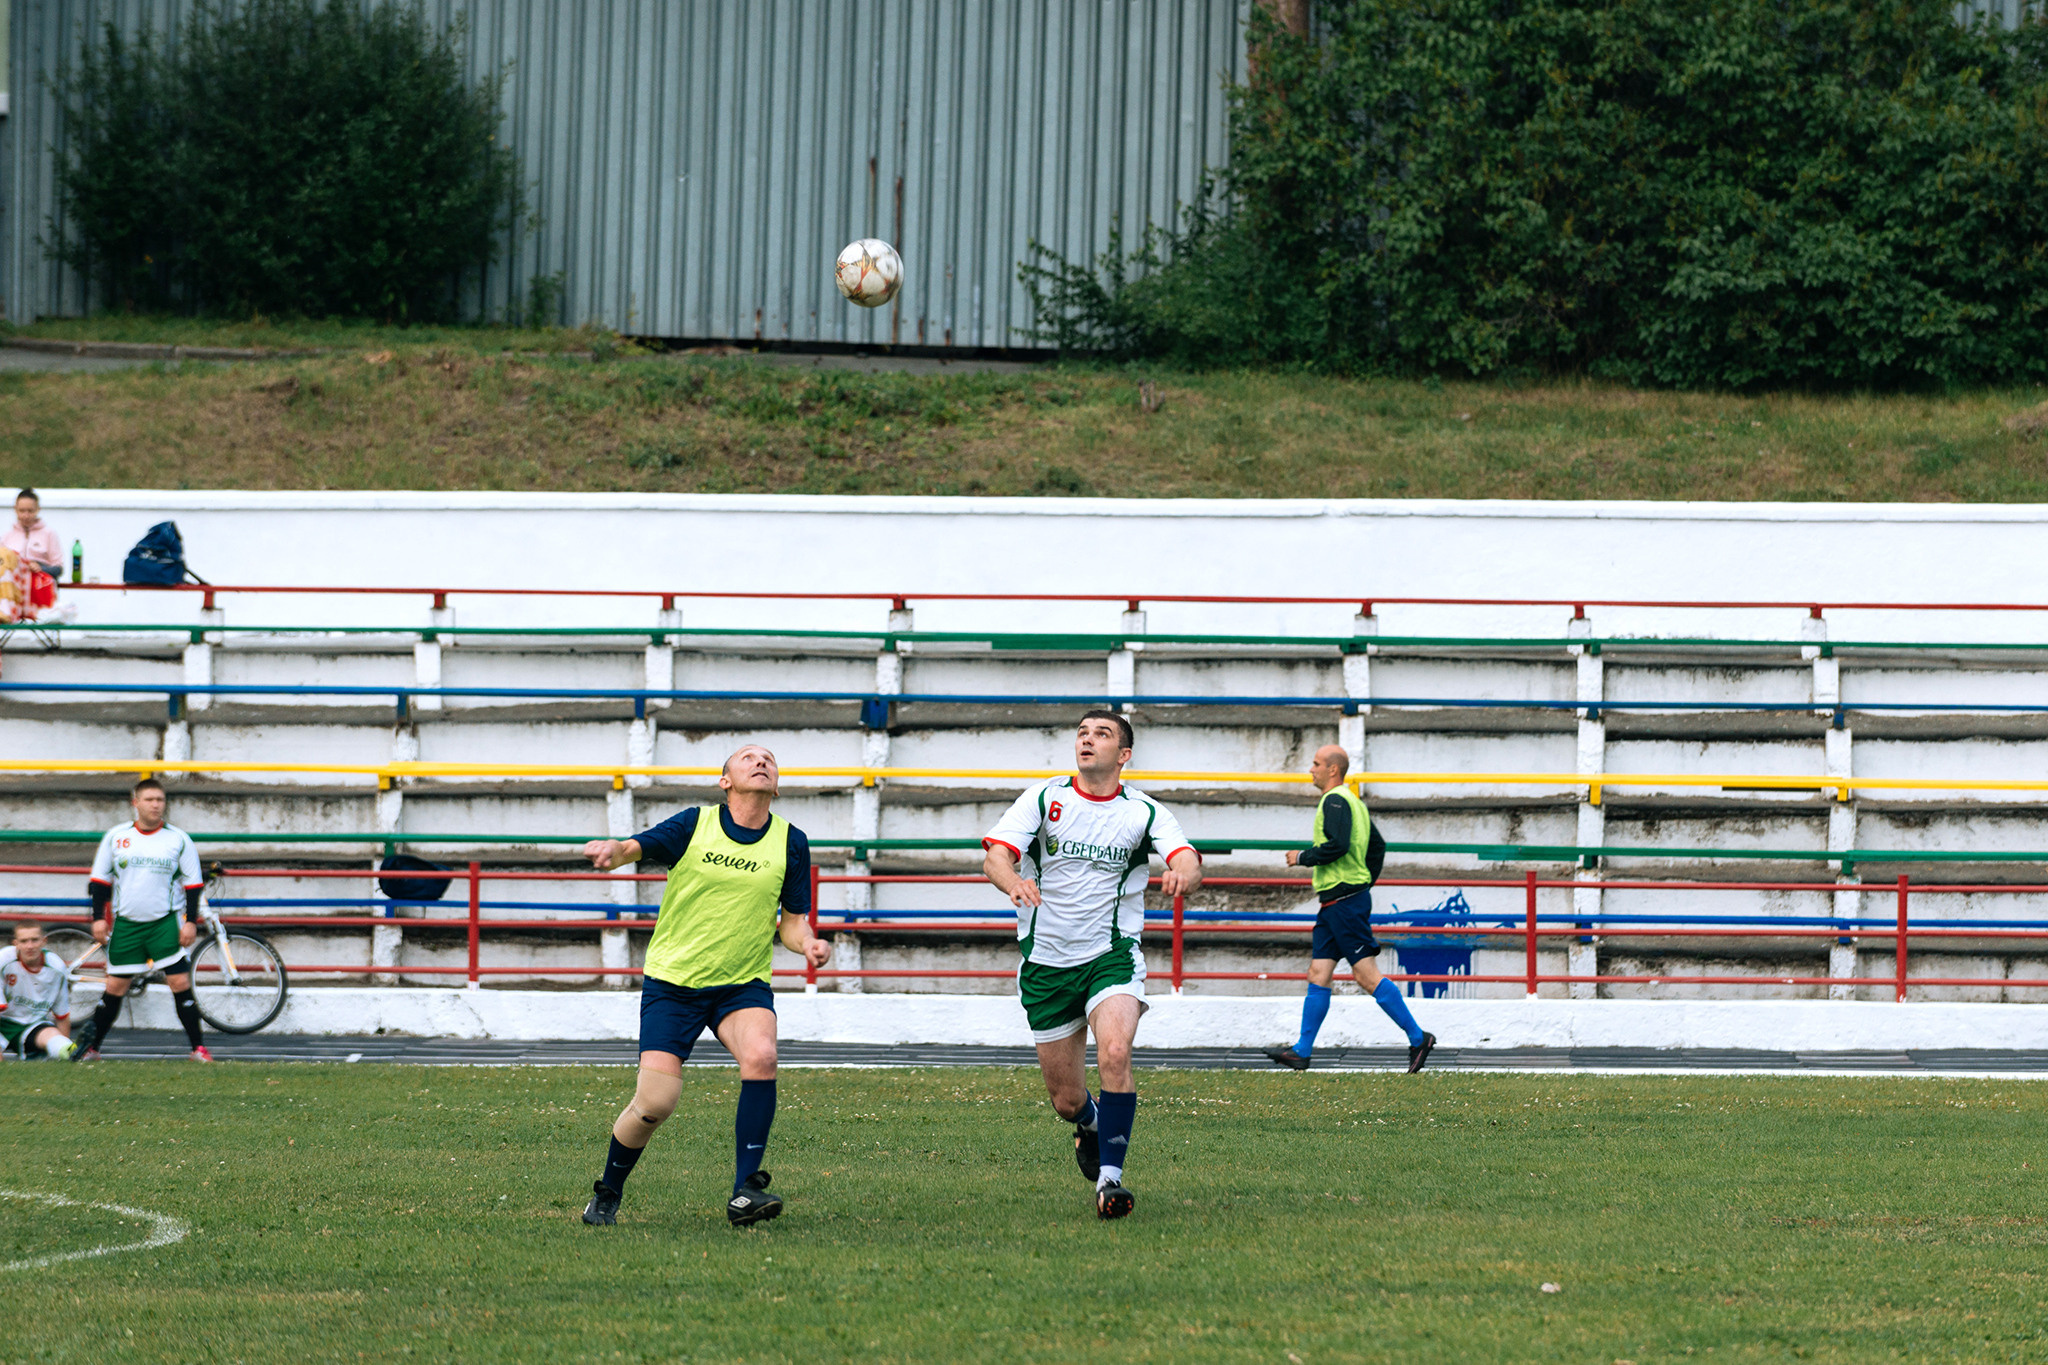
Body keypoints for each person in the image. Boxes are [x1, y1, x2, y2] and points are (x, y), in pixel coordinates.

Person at [576, 744, 831, 1228]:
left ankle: (744, 1192)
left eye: (769, 760)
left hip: (741, 984)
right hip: (674, 983)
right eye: (747, 757)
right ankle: (608, 1192)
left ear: (777, 786)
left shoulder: (791, 842)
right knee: (655, 1103)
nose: (761, 762)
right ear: (725, 781)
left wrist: (809, 944)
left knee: (762, 1056)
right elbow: (635, 847)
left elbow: (793, 924)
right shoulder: (695, 824)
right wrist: (615, 851)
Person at [981, 710, 1202, 1220]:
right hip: (1047, 964)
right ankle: (1091, 1123)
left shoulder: (1143, 812)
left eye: (1101, 734)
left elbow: (1187, 860)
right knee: (1066, 1101)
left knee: (1116, 1053)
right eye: (1082, 732)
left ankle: (1110, 1181)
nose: (1087, 740)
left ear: (1123, 755)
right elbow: (995, 856)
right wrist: (1012, 880)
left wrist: (1183, 875)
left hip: (1111, 956)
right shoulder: (1045, 797)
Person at [1265, 744, 1435, 1073]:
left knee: (1366, 976)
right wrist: (1364, 882)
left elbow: (1338, 846)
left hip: (1344, 903)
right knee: (1318, 973)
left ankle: (1419, 1038)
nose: (1311, 769)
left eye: (1316, 763)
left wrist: (1302, 857)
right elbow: (1378, 846)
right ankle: (1301, 1051)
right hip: (1336, 903)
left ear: (1333, 770)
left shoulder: (1334, 800)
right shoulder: (1355, 802)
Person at [70, 779, 212, 1062]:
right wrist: (98, 918)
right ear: (135, 803)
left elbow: (193, 885)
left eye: (160, 799)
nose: (155, 805)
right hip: (127, 924)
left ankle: (198, 1049)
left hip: (165, 922)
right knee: (115, 987)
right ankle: (91, 1049)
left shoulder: (178, 839)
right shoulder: (116, 837)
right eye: (149, 799)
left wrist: (190, 922)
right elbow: (99, 881)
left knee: (180, 982)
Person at [1, 923, 75, 1060]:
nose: (30, 946)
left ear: (43, 941)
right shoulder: (3, 960)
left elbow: (62, 1015)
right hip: (3, 1020)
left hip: (31, 1024)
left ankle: (74, 1052)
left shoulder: (57, 968)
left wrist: (65, 1051)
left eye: (34, 940)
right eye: (24, 941)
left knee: (56, 1039)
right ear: (16, 944)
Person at [2, 488, 62, 620]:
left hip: (38, 588)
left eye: (30, 511)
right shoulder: (7, 537)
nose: (26, 515)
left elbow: (58, 568)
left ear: (38, 510)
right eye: (22, 511)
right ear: (15, 510)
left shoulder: (49, 534)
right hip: (14, 591)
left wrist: (40, 568)